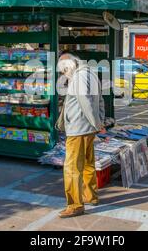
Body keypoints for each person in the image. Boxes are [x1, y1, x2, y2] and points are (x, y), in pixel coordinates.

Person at [56, 53, 105, 218]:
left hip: (79, 128)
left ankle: (75, 205)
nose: (64, 75)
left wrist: (97, 123)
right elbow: (100, 101)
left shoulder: (78, 77)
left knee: (71, 168)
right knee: (87, 163)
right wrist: (99, 122)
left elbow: (85, 101)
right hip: (88, 128)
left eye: (64, 71)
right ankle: (91, 196)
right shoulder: (90, 73)